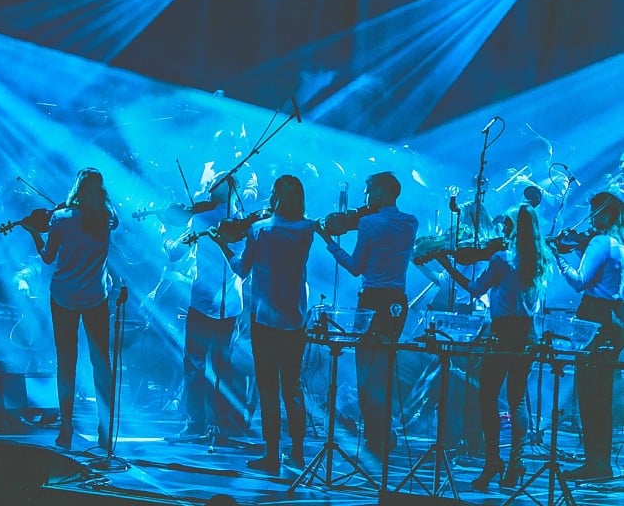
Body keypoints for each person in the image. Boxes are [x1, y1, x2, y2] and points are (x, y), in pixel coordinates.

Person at [435, 205, 548, 489]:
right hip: (528, 334)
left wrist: (446, 265)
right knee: (517, 399)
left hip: (502, 332)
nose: (501, 230)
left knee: (487, 398)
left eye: (505, 225)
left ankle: (492, 462)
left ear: (511, 228)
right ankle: (515, 464)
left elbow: (475, 289)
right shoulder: (540, 258)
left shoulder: (502, 258)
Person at [211, 174, 313, 472]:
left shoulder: (259, 230)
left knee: (268, 388)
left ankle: (271, 455)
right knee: (292, 388)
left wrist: (222, 244)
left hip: (265, 319)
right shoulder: (307, 230)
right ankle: (297, 453)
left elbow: (241, 269)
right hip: (295, 318)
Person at [315, 171, 418, 455]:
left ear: (381, 193)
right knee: (385, 367)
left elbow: (356, 266)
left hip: (373, 299)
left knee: (366, 372)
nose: (365, 198)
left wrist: (328, 239)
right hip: (398, 301)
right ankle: (385, 432)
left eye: (369, 191)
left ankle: (374, 436)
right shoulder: (411, 222)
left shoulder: (369, 223)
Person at [20, 167, 117, 450]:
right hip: (96, 297)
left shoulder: (60, 219)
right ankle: (105, 429)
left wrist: (33, 233)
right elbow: (113, 215)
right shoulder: (106, 218)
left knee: (66, 363)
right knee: (102, 364)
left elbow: (48, 258)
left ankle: (65, 429)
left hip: (64, 297)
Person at [165, 173, 246, 441]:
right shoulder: (240, 221)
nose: (210, 189)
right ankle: (225, 425)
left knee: (197, 364)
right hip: (224, 302)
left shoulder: (204, 219)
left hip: (212, 302)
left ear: (229, 188)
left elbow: (175, 255)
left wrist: (170, 241)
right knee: (222, 365)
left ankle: (198, 423)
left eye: (217, 184)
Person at [551, 189, 624, 480]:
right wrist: (580, 248)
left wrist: (558, 257)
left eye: (595, 212)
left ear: (606, 214)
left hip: (595, 318)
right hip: (613, 321)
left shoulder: (600, 241)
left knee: (590, 393)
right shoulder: (617, 243)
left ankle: (596, 464)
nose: (591, 218)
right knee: (601, 395)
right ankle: (599, 462)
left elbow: (581, 281)